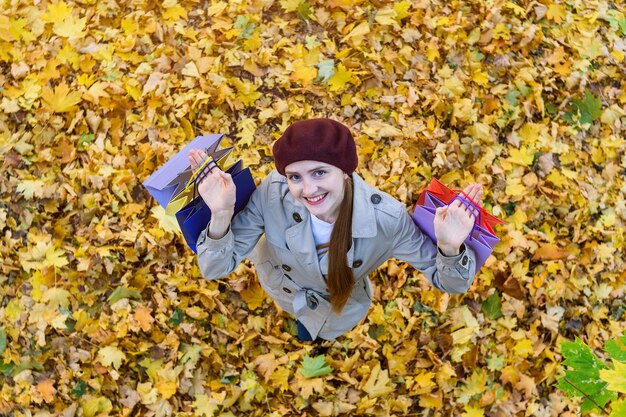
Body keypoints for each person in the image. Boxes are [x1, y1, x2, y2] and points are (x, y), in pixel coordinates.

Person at [188, 118, 482, 342]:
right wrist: (222, 214)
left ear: (344, 171)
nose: (308, 189)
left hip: (338, 309)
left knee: (317, 333)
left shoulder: (387, 219)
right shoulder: (272, 195)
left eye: (319, 172)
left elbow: (453, 284)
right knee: (298, 322)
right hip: (282, 289)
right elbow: (215, 267)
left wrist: (449, 248)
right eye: (295, 176)